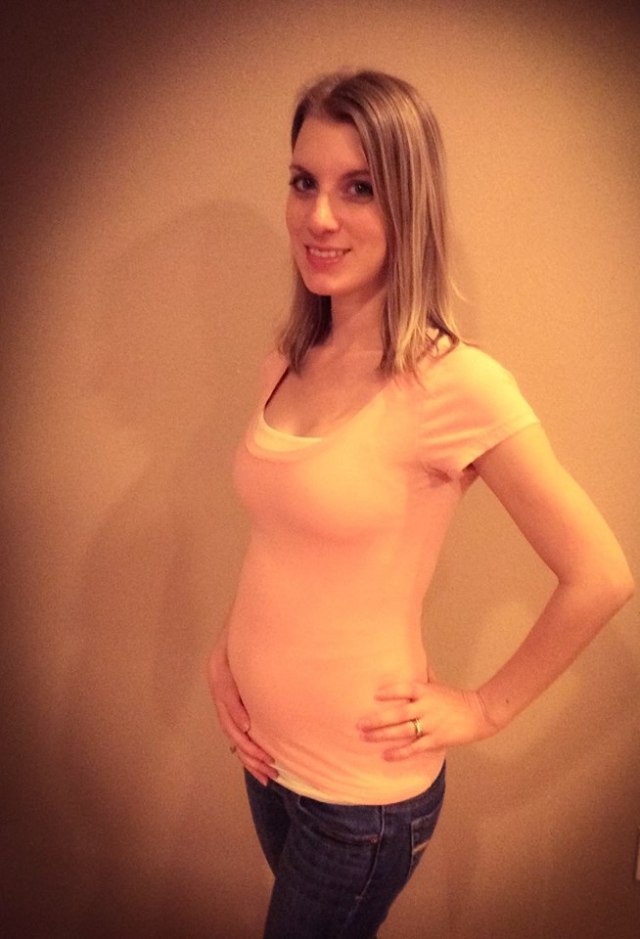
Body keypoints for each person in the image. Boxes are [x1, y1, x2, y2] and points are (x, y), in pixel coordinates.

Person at [208, 70, 633, 939]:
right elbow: (286, 539)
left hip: (360, 802)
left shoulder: (455, 383)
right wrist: (229, 653)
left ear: (411, 202)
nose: (319, 216)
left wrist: (484, 708)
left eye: (359, 188)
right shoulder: (288, 359)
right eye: (304, 182)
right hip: (267, 766)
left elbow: (600, 574)